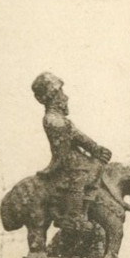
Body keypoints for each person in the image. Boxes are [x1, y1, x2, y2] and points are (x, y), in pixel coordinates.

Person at [32, 72, 111, 231]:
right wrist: (95, 149)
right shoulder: (54, 120)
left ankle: (87, 209)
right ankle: (73, 217)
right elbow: (76, 137)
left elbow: (79, 135)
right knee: (80, 177)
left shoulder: (60, 119)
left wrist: (97, 149)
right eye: (61, 93)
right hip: (68, 160)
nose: (66, 97)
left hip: (75, 155)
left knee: (97, 165)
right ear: (53, 97)